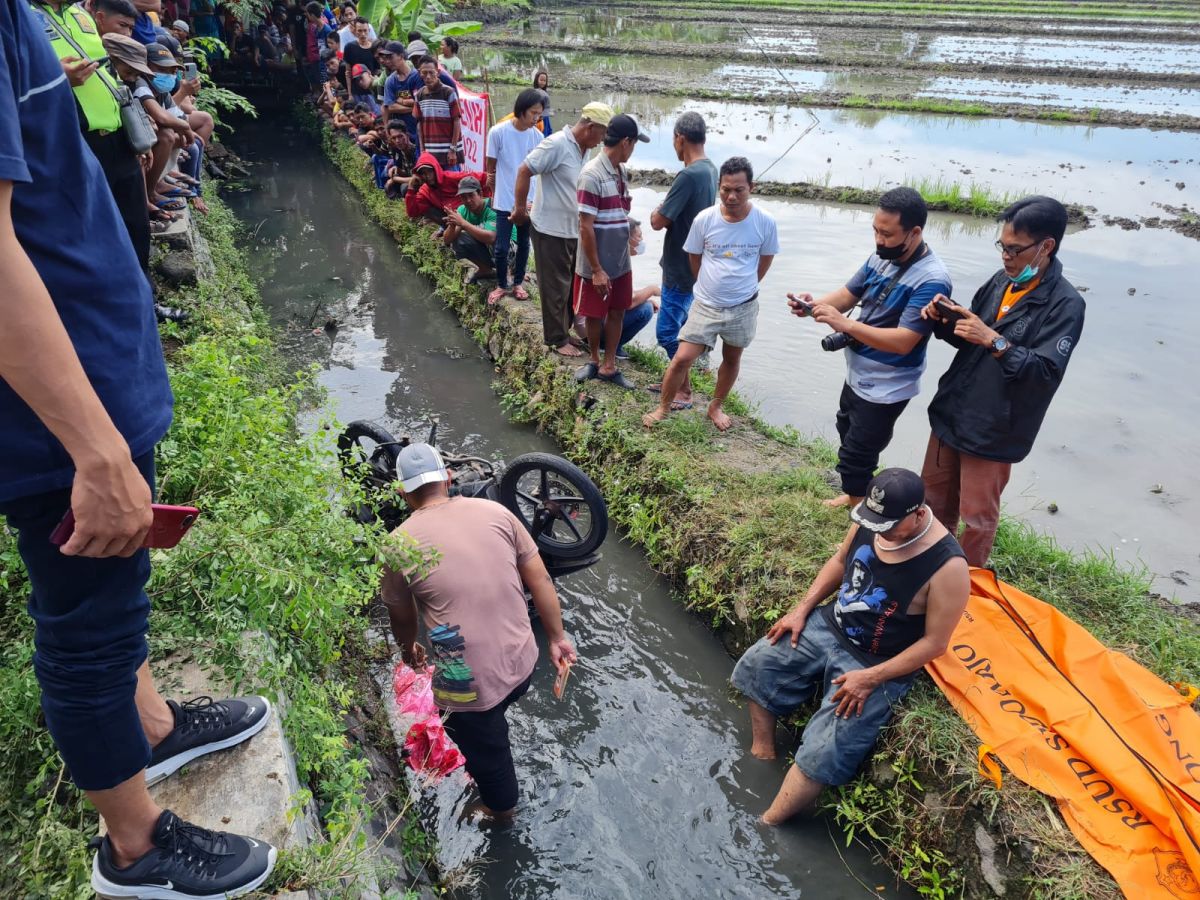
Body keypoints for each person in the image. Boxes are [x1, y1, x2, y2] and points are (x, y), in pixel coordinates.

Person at [0, 2, 276, 894]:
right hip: (59, 414)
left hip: (93, 383)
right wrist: (93, 449)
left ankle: (152, 728)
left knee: (115, 600)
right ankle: (134, 847)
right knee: (87, 625)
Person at [731, 468, 969, 824]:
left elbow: (935, 644)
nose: (879, 531)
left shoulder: (947, 566)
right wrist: (801, 609)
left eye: (889, 526)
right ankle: (762, 752)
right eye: (873, 522)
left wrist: (871, 678)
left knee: (828, 745)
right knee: (761, 662)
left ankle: (769, 822)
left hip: (877, 659)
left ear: (919, 514)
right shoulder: (870, 522)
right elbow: (840, 561)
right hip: (833, 624)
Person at [381, 444, 576, 821]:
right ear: (448, 478)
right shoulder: (496, 512)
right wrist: (557, 638)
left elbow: (402, 617)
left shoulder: (397, 545)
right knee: (492, 719)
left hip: (469, 687)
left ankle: (500, 809)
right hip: (523, 662)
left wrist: (408, 652)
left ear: (402, 493)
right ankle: (494, 728)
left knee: (487, 755)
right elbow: (540, 580)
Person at [919, 196, 1085, 566]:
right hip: (952, 411)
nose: (1006, 257)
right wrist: (945, 322)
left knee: (976, 519)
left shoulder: (1066, 305)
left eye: (1015, 249)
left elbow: (1044, 373)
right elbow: (972, 339)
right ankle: (927, 571)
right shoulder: (1001, 281)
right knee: (932, 501)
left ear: (1046, 246)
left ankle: (966, 583)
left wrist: (994, 340)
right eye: (1002, 246)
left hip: (994, 429)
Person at [787, 186, 951, 509]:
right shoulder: (882, 256)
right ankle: (856, 497)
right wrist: (813, 306)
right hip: (858, 372)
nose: (878, 239)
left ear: (915, 233)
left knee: (857, 454)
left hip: (888, 385)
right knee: (846, 429)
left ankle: (863, 515)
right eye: (875, 230)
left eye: (887, 234)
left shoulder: (932, 279)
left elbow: (904, 341)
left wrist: (845, 325)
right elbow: (847, 295)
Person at [643, 156, 778, 431]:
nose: (731, 196)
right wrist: (707, 284)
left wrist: (746, 285)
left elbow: (766, 259)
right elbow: (695, 257)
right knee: (682, 358)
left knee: (732, 358)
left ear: (751, 187)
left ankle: (715, 407)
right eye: (726, 189)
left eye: (739, 190)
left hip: (743, 306)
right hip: (705, 304)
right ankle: (663, 408)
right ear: (719, 186)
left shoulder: (765, 222)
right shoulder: (704, 219)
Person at [32, 0, 151, 270]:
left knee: (136, 224)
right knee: (92, 228)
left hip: (118, 137)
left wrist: (135, 130)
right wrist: (56, 76)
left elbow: (109, 72)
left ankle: (142, 291)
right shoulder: (21, 15)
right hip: (76, 142)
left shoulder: (79, 14)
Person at [511, 102, 611, 357]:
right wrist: (520, 209)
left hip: (572, 230)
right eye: (602, 133)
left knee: (569, 287)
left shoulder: (583, 149)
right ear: (590, 127)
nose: (602, 140)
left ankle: (563, 332)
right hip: (550, 230)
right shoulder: (556, 144)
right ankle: (556, 339)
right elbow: (524, 170)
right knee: (554, 286)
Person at [573, 113, 649, 389]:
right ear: (626, 142)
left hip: (620, 260)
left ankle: (609, 365)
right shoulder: (591, 175)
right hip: (596, 261)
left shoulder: (620, 172)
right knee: (594, 313)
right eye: (634, 144)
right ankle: (594, 360)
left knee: (617, 310)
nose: (633, 149)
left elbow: (619, 212)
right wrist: (596, 269)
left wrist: (631, 231)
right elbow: (585, 226)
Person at [648, 111, 717, 411]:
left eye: (674, 141)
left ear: (680, 138)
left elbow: (657, 221)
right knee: (682, 328)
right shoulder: (710, 169)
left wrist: (658, 208)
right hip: (694, 265)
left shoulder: (688, 175)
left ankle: (683, 390)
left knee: (667, 332)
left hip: (680, 266)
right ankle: (672, 380)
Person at [484, 88, 544, 305]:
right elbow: (491, 166)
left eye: (539, 114)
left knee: (524, 244)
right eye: (533, 113)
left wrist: (535, 200)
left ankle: (518, 282)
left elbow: (538, 171)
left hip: (528, 200)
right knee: (501, 247)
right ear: (521, 109)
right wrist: (492, 185)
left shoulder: (538, 137)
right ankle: (502, 284)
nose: (536, 118)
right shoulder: (498, 132)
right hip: (504, 199)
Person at [403, 150, 485, 223]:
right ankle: (445, 228)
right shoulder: (425, 190)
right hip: (452, 218)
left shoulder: (451, 177)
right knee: (406, 190)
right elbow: (412, 213)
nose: (427, 176)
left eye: (429, 171)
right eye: (423, 173)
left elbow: (484, 177)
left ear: (436, 169)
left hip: (469, 213)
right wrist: (411, 189)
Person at [442, 175, 496, 281]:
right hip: (488, 252)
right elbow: (447, 240)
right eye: (464, 197)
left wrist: (463, 223)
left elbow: (491, 238)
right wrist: (452, 224)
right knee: (458, 239)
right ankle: (485, 269)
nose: (468, 200)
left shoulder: (492, 206)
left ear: (480, 194)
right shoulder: (462, 210)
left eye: (471, 195)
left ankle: (510, 272)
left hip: (508, 253)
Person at [412, 54, 461, 169]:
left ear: (438, 72)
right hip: (429, 154)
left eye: (431, 72)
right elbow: (419, 123)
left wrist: (453, 149)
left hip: (448, 153)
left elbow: (456, 120)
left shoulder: (449, 92)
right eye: (424, 73)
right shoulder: (419, 95)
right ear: (419, 73)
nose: (428, 77)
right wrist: (423, 150)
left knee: (452, 179)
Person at [341, 17, 376, 95]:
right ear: (355, 31)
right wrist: (350, 94)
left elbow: (378, 69)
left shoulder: (374, 48)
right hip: (356, 92)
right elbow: (348, 73)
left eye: (365, 30)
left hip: (372, 89)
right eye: (360, 31)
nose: (363, 34)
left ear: (369, 30)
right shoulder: (349, 47)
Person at [532, 69, 553, 135]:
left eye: (544, 81)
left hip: (545, 116)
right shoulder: (534, 93)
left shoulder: (545, 93)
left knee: (546, 131)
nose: (543, 82)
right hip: (539, 116)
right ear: (536, 80)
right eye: (541, 80)